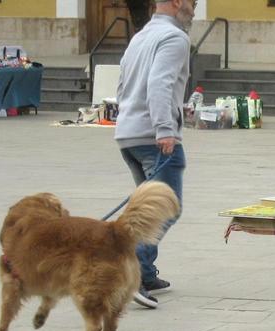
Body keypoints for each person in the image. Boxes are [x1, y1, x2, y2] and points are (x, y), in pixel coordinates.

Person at [114, 0, 194, 309]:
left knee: (143, 206)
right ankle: (129, 272)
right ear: (176, 2)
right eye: (192, 2)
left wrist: (127, 118)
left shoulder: (141, 35)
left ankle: (145, 272)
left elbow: (122, 85)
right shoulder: (174, 37)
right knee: (166, 208)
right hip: (153, 136)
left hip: (129, 134)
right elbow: (159, 83)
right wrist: (164, 129)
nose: (195, 7)